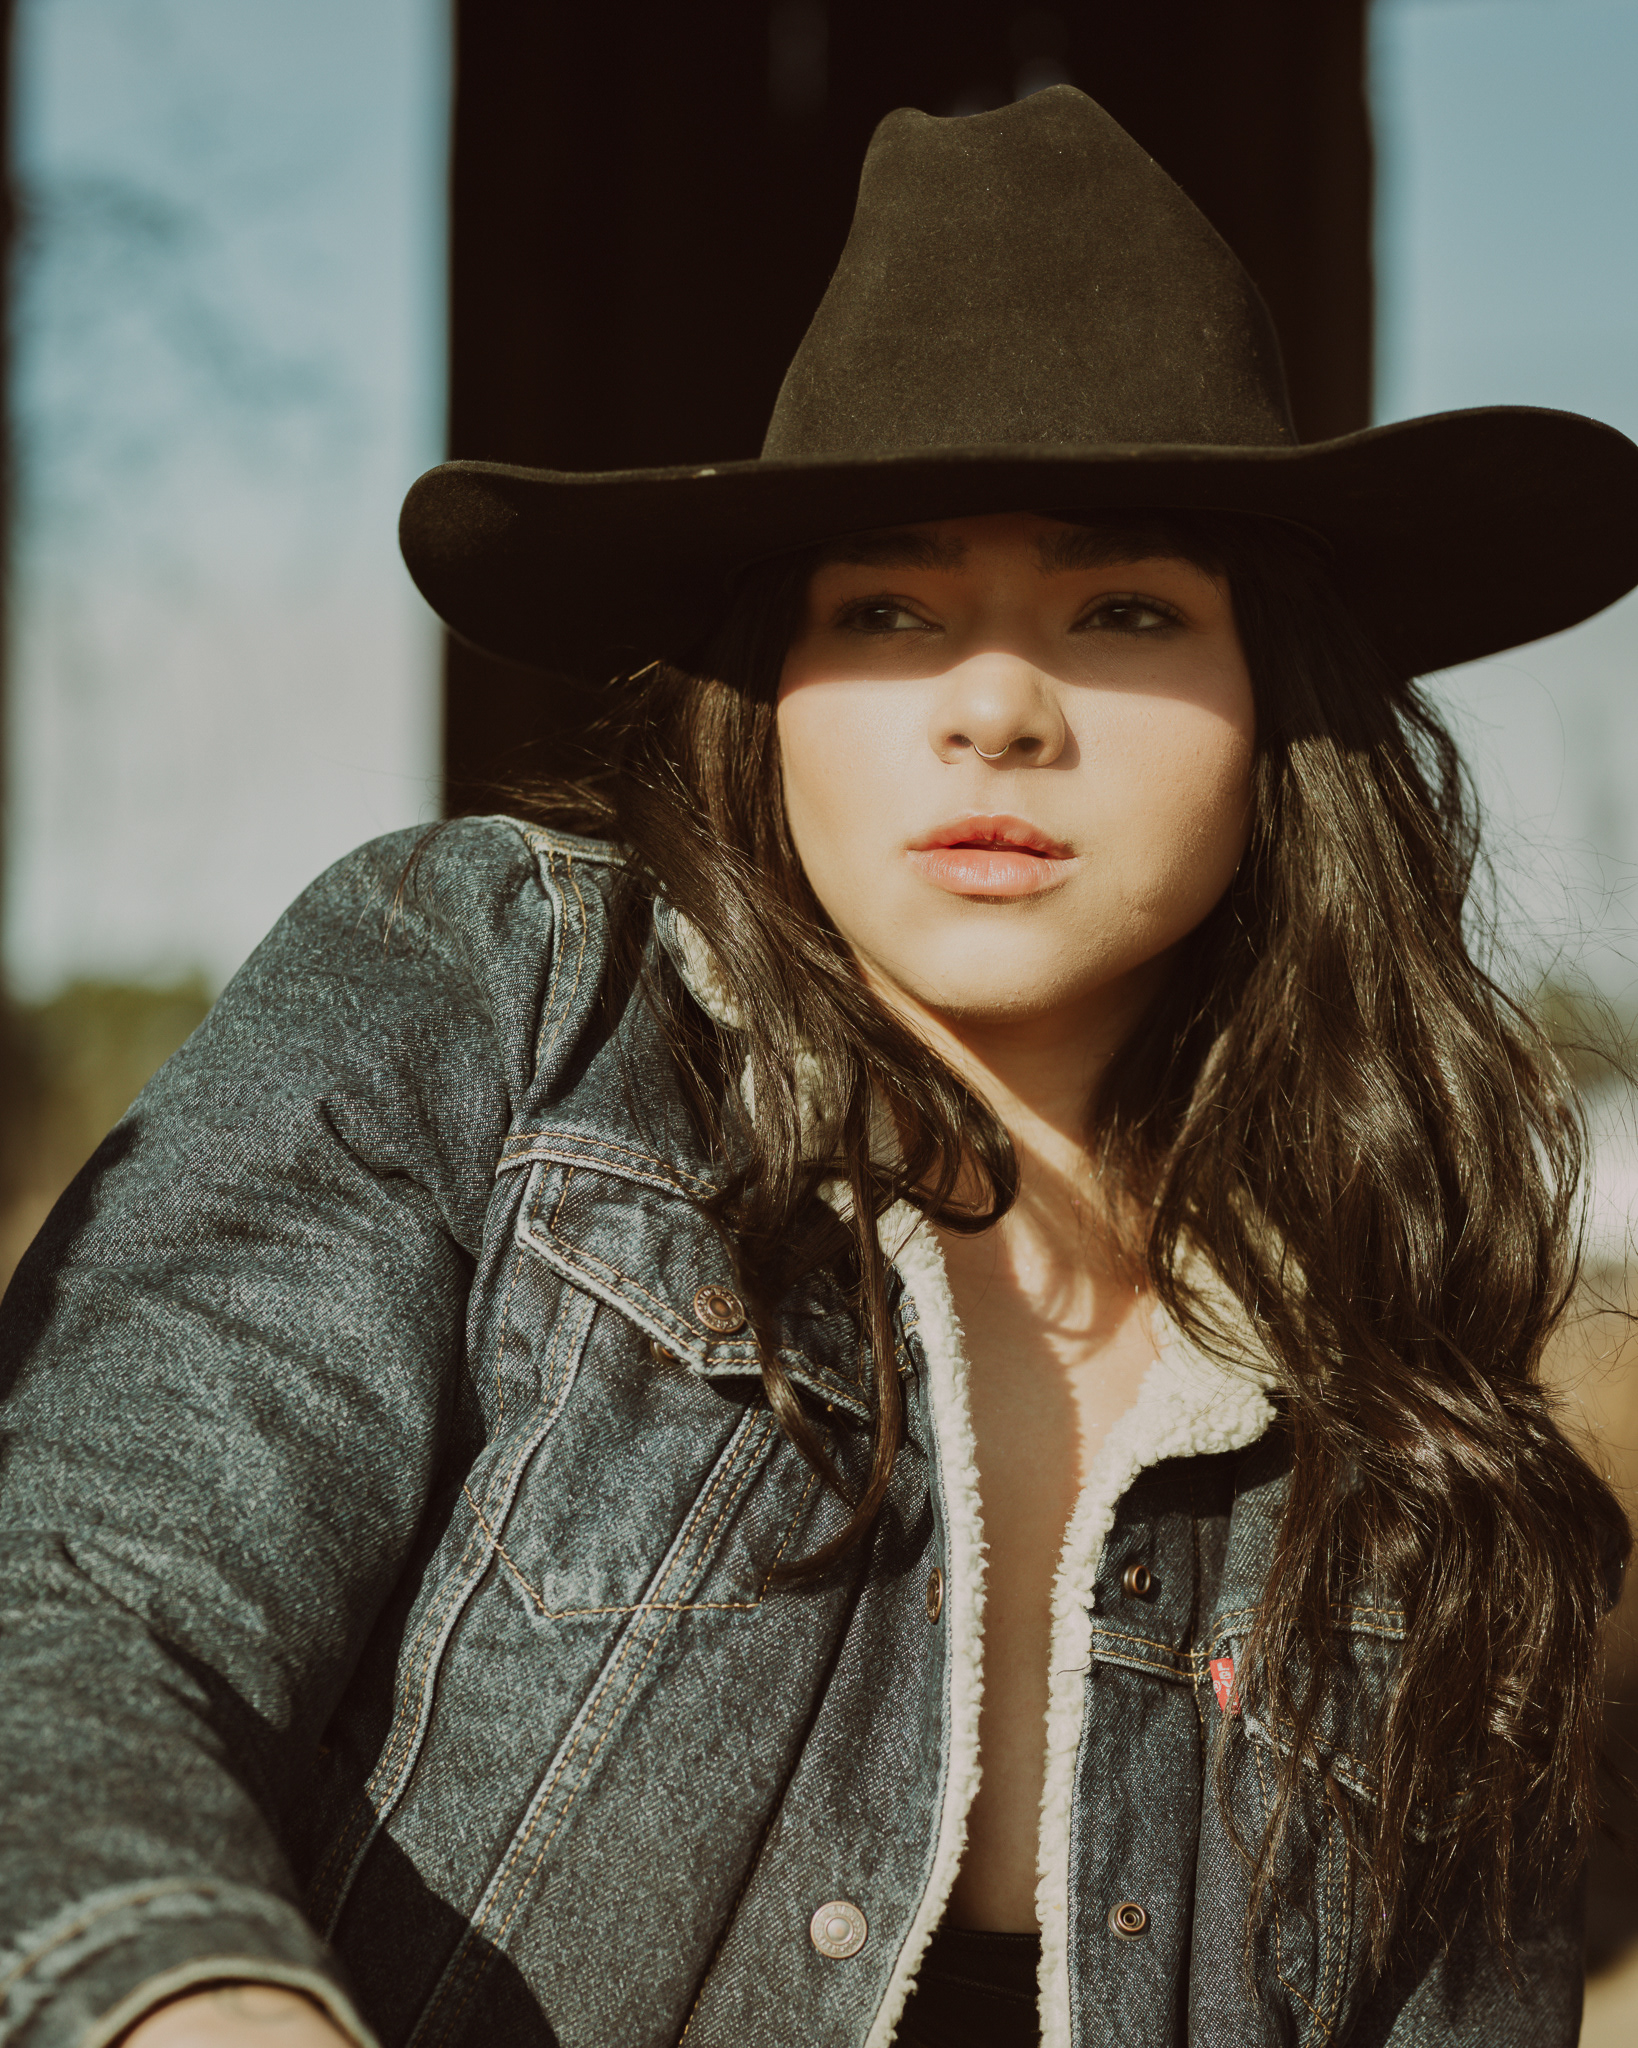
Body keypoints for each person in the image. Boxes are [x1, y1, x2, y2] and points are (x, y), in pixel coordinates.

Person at [2, 85, 1635, 2048]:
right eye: (888, 608)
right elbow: (76, 1606)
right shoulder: (499, 998)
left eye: (1124, 610)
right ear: (769, 688)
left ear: (1274, 700)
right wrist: (197, 2004)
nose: (998, 708)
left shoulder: (1412, 1415)